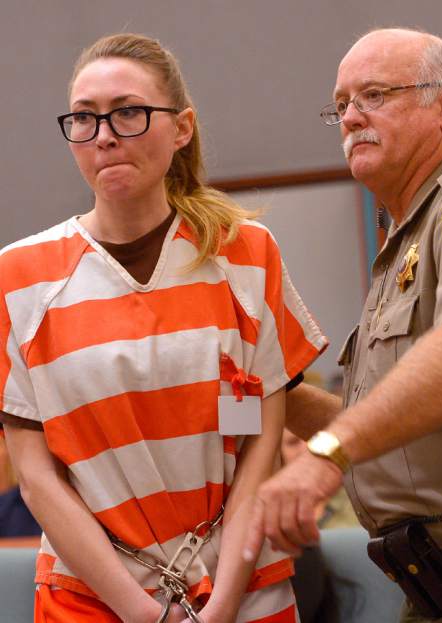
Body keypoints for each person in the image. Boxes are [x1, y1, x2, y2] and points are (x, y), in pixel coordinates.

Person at [0, 33, 328, 623]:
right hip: (90, 600)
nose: (104, 135)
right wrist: (148, 614)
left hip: (246, 588)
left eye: (128, 112)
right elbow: (36, 479)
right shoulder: (19, 275)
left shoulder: (245, 255)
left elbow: (257, 446)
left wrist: (224, 602)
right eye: (84, 118)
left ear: (181, 129)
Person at [244, 27, 442, 623]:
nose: (352, 118)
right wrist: (261, 395)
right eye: (341, 106)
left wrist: (325, 455)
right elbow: (399, 439)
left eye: (374, 96)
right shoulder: (405, 237)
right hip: (438, 591)